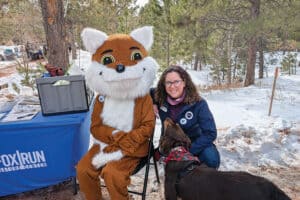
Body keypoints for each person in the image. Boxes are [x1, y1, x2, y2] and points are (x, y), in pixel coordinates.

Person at [151, 65, 220, 168]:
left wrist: (189, 150)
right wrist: (153, 102)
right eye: (168, 82)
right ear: (163, 85)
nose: (172, 86)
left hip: (194, 143)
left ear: (184, 82)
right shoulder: (161, 97)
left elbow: (210, 133)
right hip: (169, 143)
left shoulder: (198, 103)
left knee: (212, 159)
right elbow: (148, 92)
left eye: (176, 82)